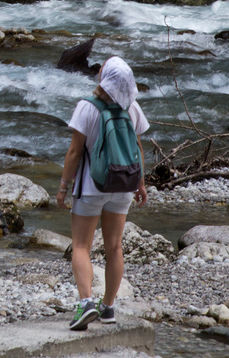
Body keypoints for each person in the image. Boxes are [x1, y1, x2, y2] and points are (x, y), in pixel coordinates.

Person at [55, 56, 149, 331]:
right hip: (124, 185)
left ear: (103, 77)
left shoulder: (87, 107)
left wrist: (63, 187)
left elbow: (74, 152)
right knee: (115, 247)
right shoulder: (132, 107)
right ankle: (108, 307)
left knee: (82, 246)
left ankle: (86, 303)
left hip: (92, 186)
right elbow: (138, 149)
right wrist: (140, 184)